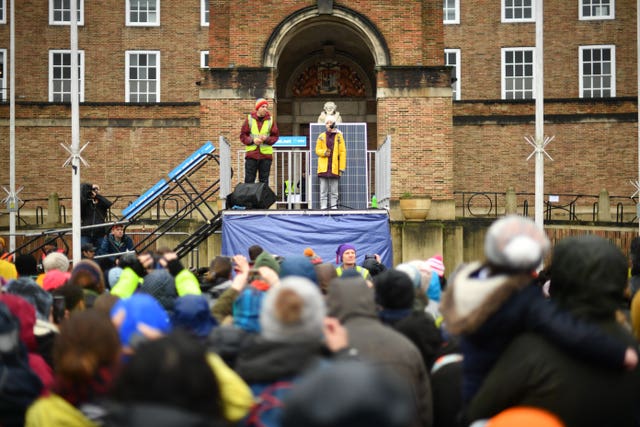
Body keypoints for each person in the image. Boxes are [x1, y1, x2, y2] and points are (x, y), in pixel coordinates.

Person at [440, 215, 638, 405]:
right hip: (497, 381)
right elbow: (567, 330)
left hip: (473, 375)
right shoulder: (523, 300)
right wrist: (619, 354)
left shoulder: (470, 281)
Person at [239, 98, 279, 187]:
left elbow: (275, 137)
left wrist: (266, 139)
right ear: (257, 108)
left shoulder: (271, 120)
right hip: (252, 155)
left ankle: (262, 201)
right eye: (263, 106)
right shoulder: (249, 119)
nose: (265, 108)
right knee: (249, 180)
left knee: (264, 182)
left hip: (266, 156)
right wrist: (252, 140)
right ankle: (249, 201)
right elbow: (243, 136)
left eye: (266, 107)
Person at [315, 114, 346, 210]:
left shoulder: (339, 136)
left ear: (334, 124)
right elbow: (317, 150)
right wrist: (324, 152)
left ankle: (333, 207)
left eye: (330, 123)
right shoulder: (321, 136)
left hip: (334, 167)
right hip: (323, 167)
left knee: (334, 190)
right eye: (327, 123)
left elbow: (342, 152)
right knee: (323, 190)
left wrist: (342, 167)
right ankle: (323, 207)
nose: (329, 124)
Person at [80, 182, 112, 248]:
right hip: (86, 233)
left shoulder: (101, 201)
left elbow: (108, 204)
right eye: (93, 189)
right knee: (85, 252)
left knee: (100, 252)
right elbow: (81, 206)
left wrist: (97, 196)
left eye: (97, 189)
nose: (95, 191)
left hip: (100, 233)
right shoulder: (85, 202)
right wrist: (87, 196)